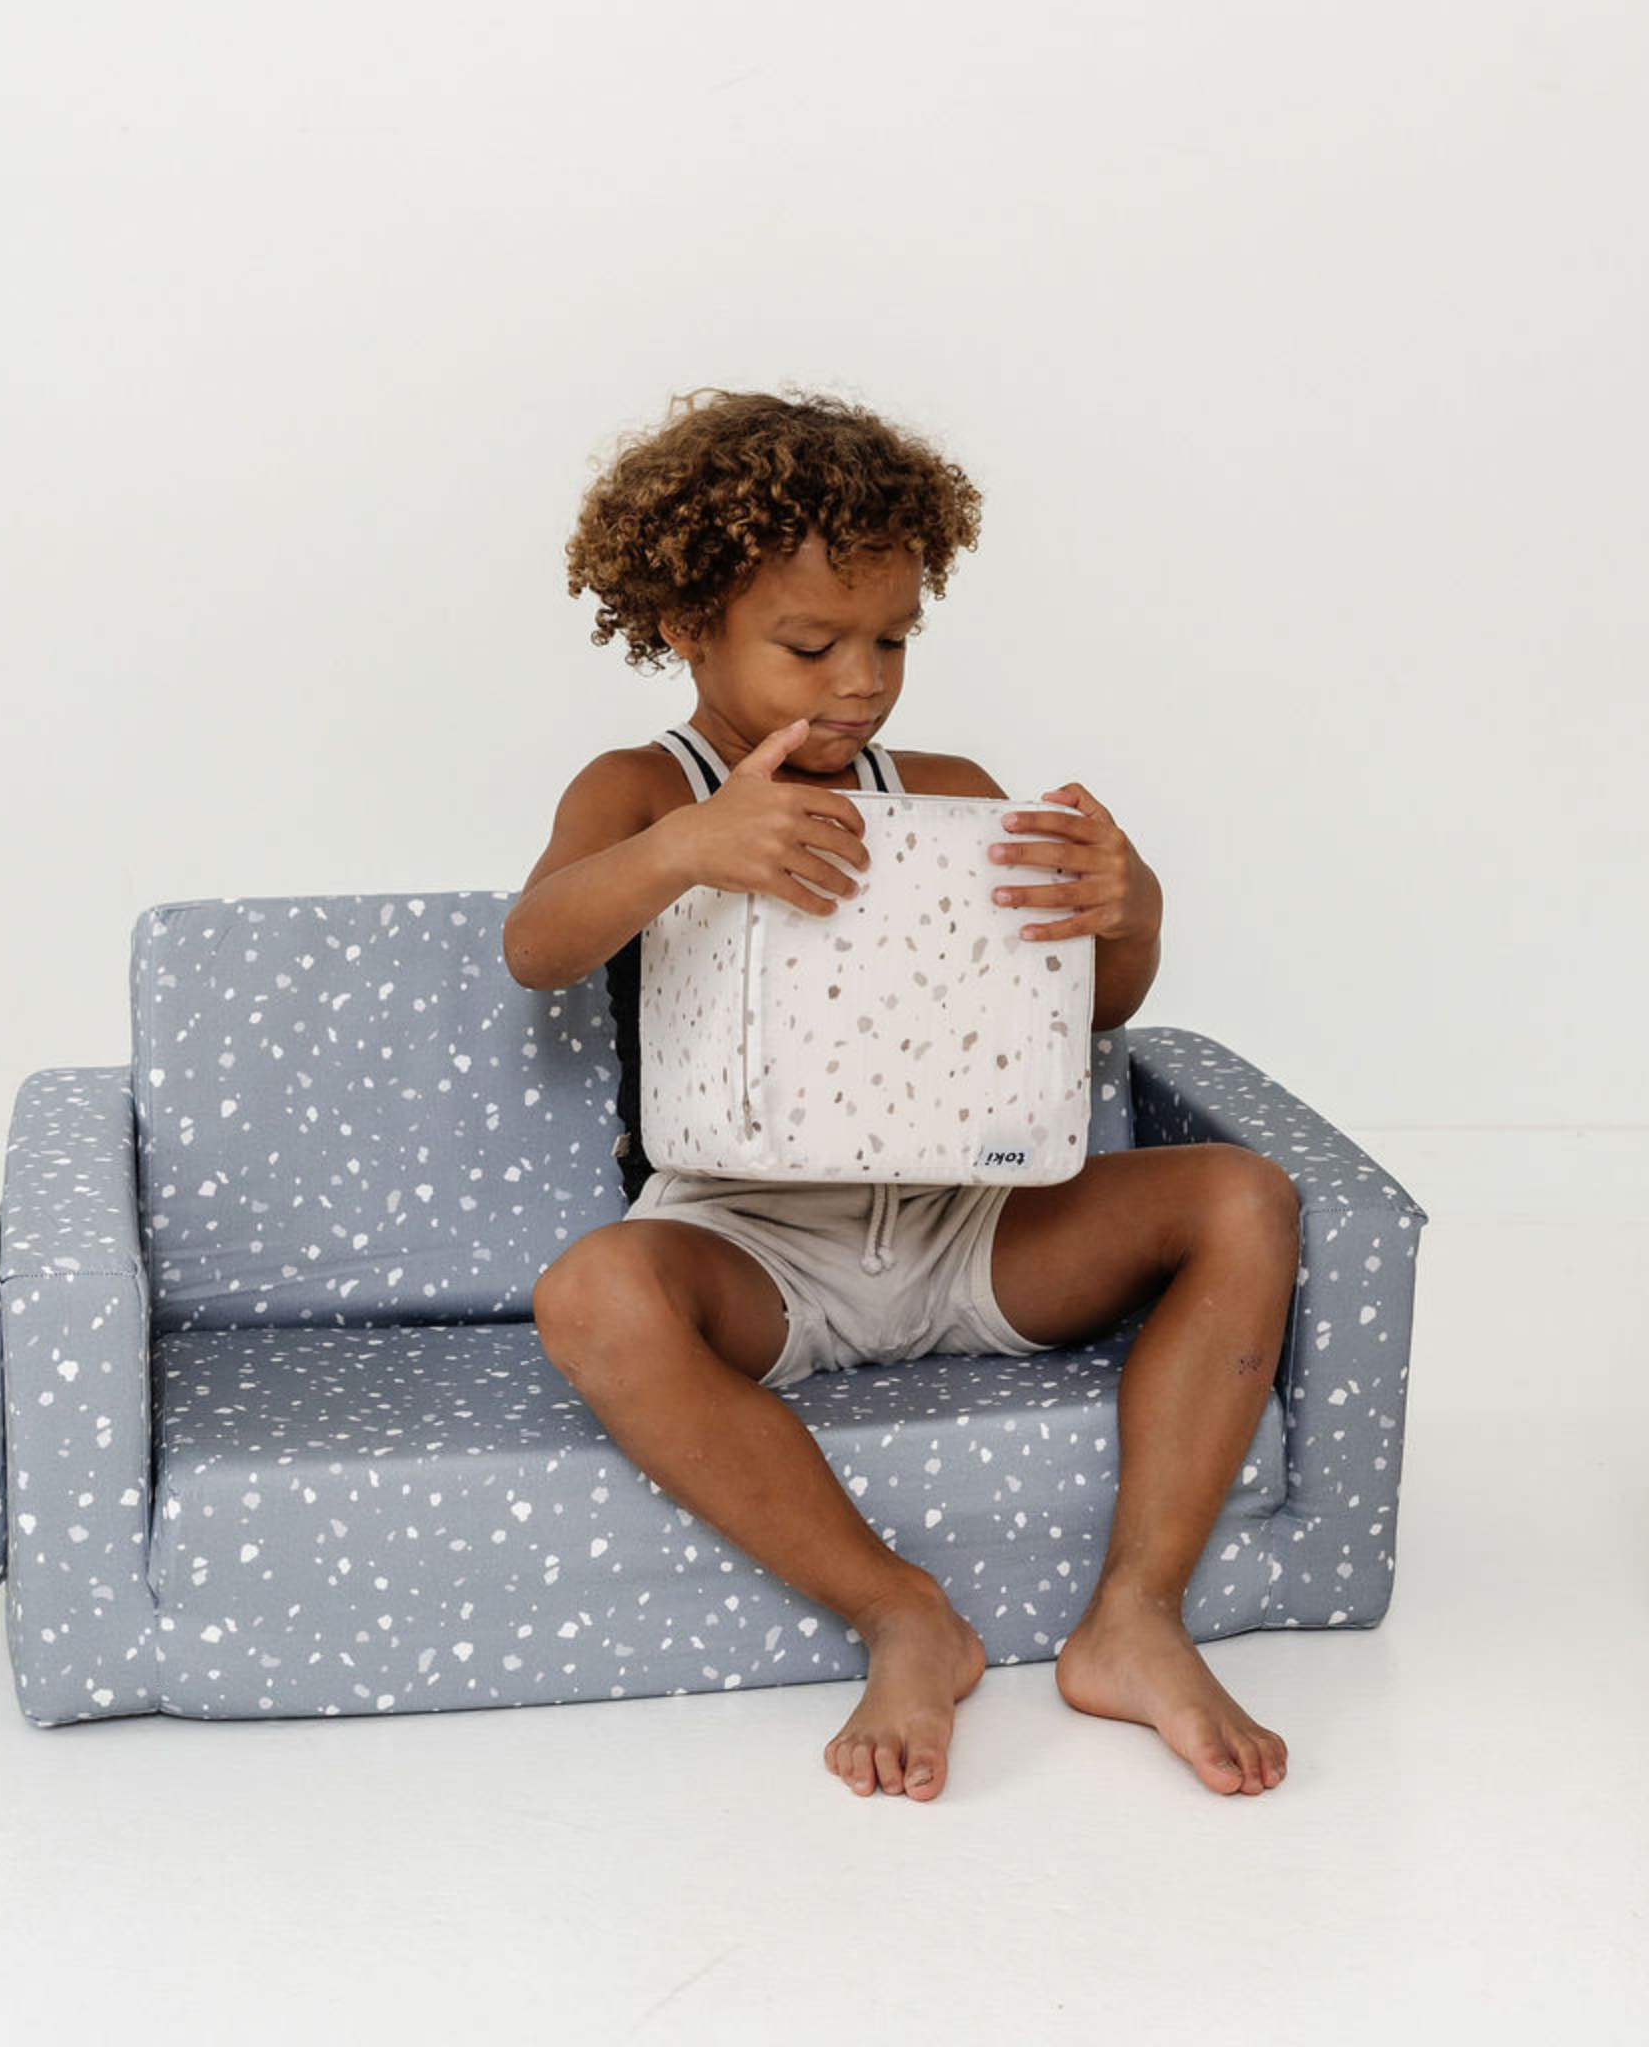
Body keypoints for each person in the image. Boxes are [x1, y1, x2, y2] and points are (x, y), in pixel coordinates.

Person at [504, 390, 1301, 1801]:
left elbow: (1092, 1017)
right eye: (811, 645)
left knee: (1241, 1196)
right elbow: (538, 944)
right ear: (690, 627)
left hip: (964, 1224)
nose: (861, 680)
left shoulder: (946, 791)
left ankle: (1134, 1618)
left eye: (892, 639)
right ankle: (900, 1613)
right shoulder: (643, 789)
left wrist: (1128, 909)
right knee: (593, 1294)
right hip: (751, 1246)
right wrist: (690, 844)